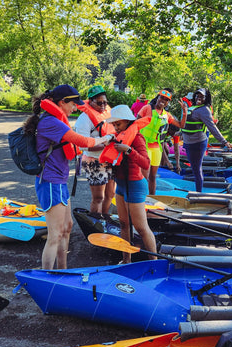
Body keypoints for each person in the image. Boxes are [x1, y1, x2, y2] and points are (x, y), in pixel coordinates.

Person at [23, 84, 109, 269]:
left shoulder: (56, 120)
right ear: (62, 102)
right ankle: (48, 277)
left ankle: (62, 270)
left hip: (59, 181)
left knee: (67, 227)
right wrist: (105, 138)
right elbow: (83, 141)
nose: (75, 107)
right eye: (72, 104)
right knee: (55, 234)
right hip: (50, 182)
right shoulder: (50, 122)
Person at [105, 104, 157, 264]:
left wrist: (128, 150)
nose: (116, 127)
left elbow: (146, 163)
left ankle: (154, 263)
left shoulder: (137, 137)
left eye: (118, 124)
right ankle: (126, 259)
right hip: (121, 185)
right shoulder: (117, 137)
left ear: (128, 122)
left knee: (141, 228)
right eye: (114, 125)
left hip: (135, 186)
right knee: (123, 223)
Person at [181, 87, 232, 192]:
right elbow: (185, 125)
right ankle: (198, 192)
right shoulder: (192, 107)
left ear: (206, 98)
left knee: (197, 169)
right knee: (194, 168)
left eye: (202, 96)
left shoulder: (204, 110)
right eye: (197, 95)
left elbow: (212, 128)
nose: (199, 97)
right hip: (188, 142)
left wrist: (225, 142)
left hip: (198, 143)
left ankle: (198, 193)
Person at [74, 85, 116, 217]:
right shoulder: (84, 119)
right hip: (94, 161)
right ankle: (95, 225)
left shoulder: (106, 115)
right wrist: (106, 145)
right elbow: (83, 145)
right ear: (90, 101)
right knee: (98, 198)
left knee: (110, 194)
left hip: (110, 159)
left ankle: (104, 220)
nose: (103, 105)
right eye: (99, 103)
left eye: (105, 102)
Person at [137, 89, 188, 194]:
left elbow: (181, 125)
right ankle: (141, 199)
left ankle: (152, 198)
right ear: (157, 97)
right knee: (143, 177)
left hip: (157, 149)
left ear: (168, 103)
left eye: (166, 100)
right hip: (144, 146)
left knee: (153, 177)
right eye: (161, 98)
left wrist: (184, 112)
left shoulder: (167, 115)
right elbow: (135, 124)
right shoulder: (147, 108)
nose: (163, 101)